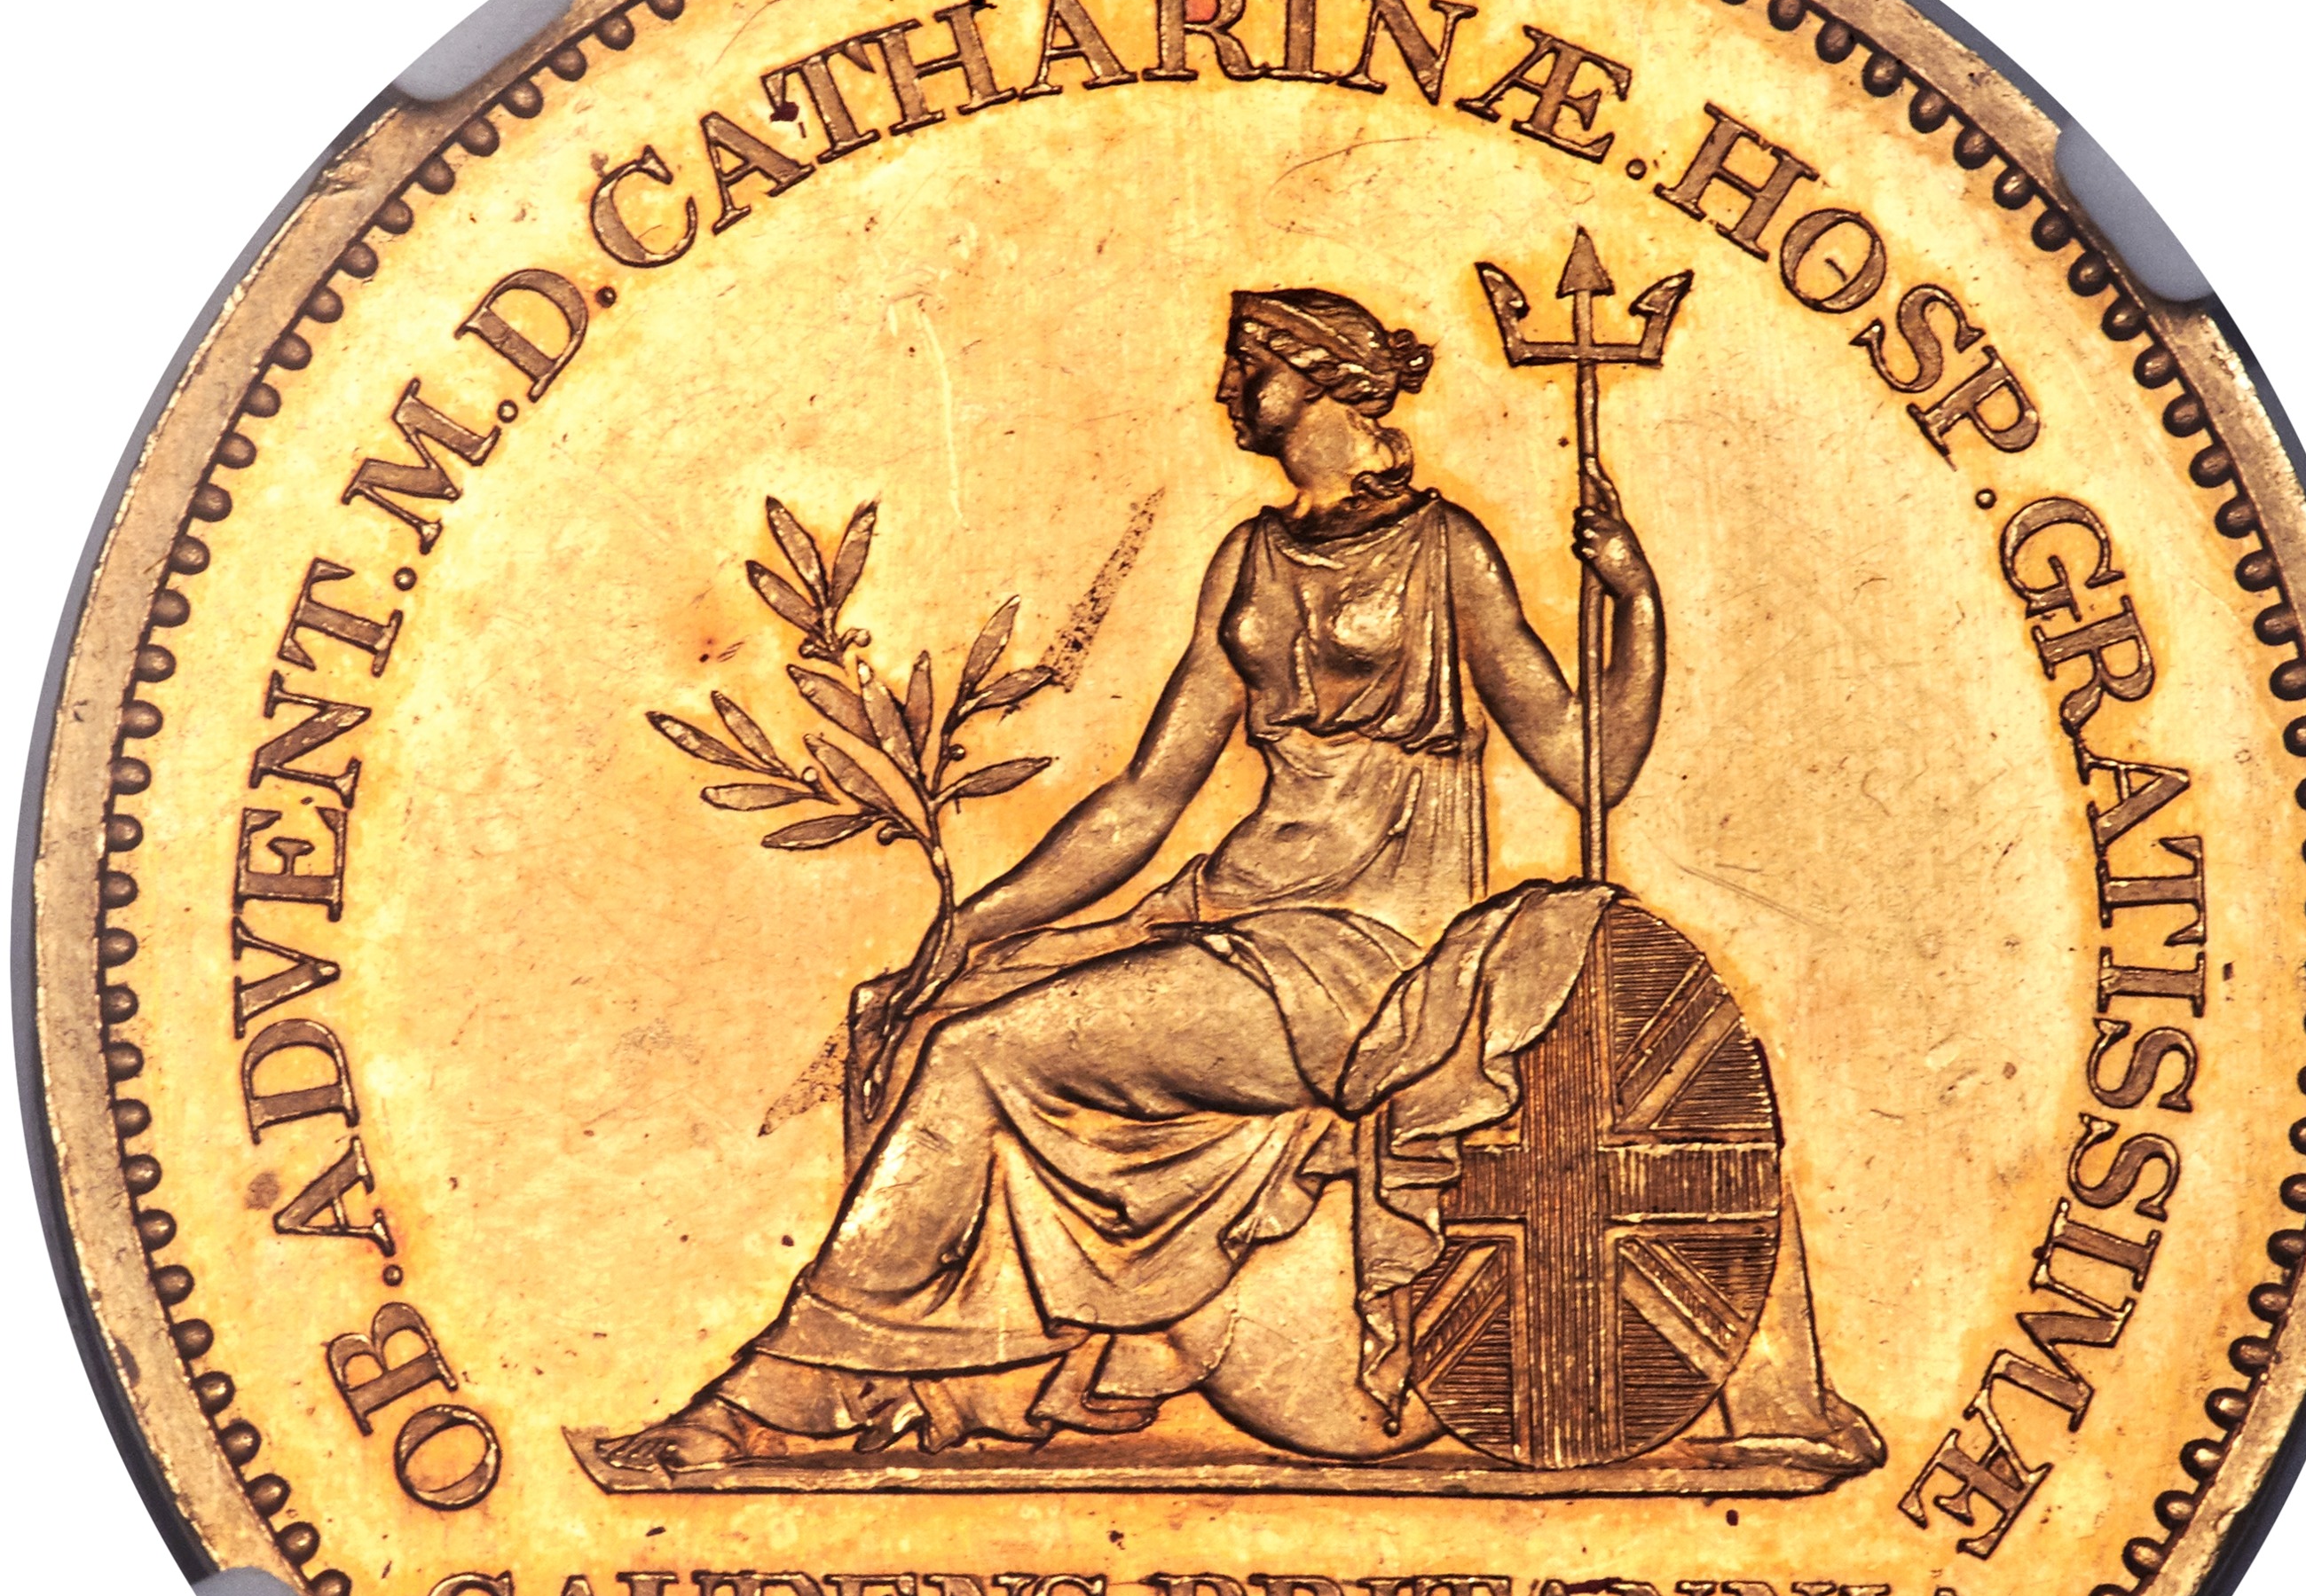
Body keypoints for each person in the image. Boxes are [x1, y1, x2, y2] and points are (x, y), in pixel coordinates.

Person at [606, 287, 1676, 1471]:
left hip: (1362, 964)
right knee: (935, 1004)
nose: (1226, 390)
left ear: (1316, 377)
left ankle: (777, 1399)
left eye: (1248, 367)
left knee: (975, 1052)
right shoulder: (1250, 559)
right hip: (1234, 919)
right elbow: (1145, 799)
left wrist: (1634, 598)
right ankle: (945, 1386)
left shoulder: (1447, 550)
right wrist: (975, 921)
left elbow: (1589, 765)